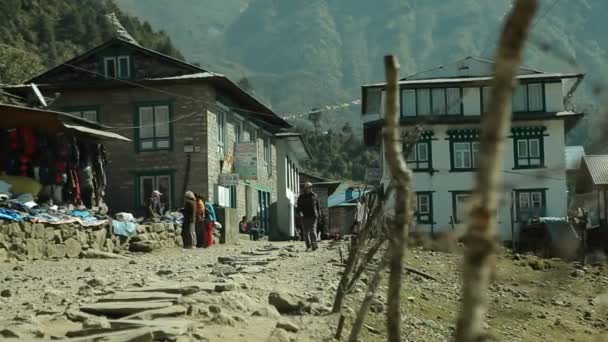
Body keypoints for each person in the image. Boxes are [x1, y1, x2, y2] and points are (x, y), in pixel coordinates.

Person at [297, 182, 321, 251]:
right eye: (308, 187)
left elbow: (318, 207)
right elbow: (298, 208)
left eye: (311, 187)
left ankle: (314, 245)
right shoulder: (301, 197)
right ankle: (308, 246)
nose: (310, 189)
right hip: (304, 216)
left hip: (313, 216)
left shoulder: (315, 196)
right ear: (305, 188)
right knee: (305, 232)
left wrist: (319, 215)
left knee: (313, 231)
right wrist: (300, 213)